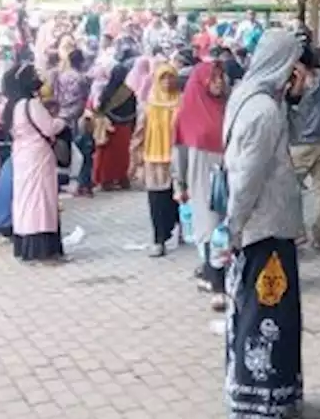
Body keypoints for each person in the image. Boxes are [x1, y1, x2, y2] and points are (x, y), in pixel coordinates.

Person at [222, 29, 306, 419]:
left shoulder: (250, 98)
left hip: (268, 228)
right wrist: (233, 228)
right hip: (263, 231)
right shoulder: (262, 112)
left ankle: (276, 401)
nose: (298, 74)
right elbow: (246, 178)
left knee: (272, 318)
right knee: (264, 323)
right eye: (294, 64)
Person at [173, 60, 230, 306]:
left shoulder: (228, 108)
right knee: (209, 227)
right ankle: (217, 284)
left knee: (227, 228)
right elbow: (180, 153)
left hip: (228, 176)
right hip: (200, 178)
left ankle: (222, 277)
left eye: (221, 77)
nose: (219, 82)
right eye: (213, 77)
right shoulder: (187, 113)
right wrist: (179, 185)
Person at [6, 63, 68, 262]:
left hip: (22, 156)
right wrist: (61, 122)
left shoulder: (13, 106)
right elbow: (49, 128)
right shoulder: (32, 105)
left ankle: (25, 244)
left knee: (25, 199)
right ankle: (42, 246)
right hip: (38, 157)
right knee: (40, 199)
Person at [286, 47, 320, 250]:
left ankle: (297, 232)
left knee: (291, 190)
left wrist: (298, 78)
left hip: (300, 143)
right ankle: (319, 236)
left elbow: (293, 101)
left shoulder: (300, 83)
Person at [135, 62, 182, 256]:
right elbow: (139, 133)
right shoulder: (149, 105)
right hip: (154, 160)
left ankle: (176, 229)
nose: (167, 81)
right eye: (163, 77)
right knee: (156, 200)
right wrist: (136, 160)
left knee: (176, 199)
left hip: (177, 159)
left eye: (170, 77)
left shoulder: (182, 102)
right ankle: (158, 239)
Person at [90, 60, 138, 191]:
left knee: (107, 156)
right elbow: (133, 111)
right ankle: (122, 178)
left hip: (108, 127)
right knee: (122, 156)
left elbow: (100, 108)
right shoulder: (129, 93)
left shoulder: (106, 90)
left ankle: (105, 179)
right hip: (124, 128)